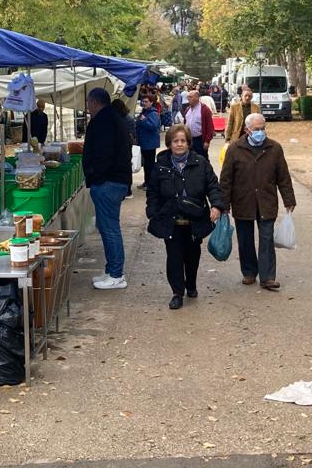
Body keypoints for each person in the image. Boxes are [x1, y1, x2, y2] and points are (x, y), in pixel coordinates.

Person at [146, 124, 225, 310]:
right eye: (175, 141)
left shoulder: (201, 163)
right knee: (174, 256)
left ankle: (191, 284)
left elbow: (213, 186)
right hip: (170, 219)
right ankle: (177, 292)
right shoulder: (161, 166)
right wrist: (152, 212)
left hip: (194, 219)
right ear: (169, 144)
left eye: (183, 141)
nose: (179, 144)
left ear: (188, 143)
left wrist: (216, 205)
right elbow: (153, 192)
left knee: (192, 256)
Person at [219, 113, 296, 291]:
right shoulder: (235, 149)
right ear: (247, 130)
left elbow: (283, 177)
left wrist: (288, 199)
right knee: (245, 239)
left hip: (266, 200)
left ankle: (268, 276)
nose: (261, 132)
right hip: (242, 201)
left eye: (263, 128)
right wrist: (224, 203)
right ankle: (249, 272)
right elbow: (226, 179)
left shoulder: (274, 148)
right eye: (257, 129)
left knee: (267, 239)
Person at [84, 87, 133, 290]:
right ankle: (111, 268)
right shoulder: (111, 117)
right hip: (112, 181)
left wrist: (97, 178)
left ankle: (116, 274)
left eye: (88, 103)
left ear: (95, 102)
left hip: (109, 183)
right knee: (106, 228)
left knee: (110, 229)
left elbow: (104, 153)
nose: (87, 107)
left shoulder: (104, 120)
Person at [135, 95, 160, 189]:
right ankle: (146, 182)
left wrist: (144, 120)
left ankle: (150, 184)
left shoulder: (153, 113)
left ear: (151, 102)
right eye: (143, 101)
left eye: (146, 102)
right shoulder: (145, 112)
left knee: (150, 165)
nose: (144, 103)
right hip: (144, 142)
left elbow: (154, 126)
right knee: (146, 165)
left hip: (150, 143)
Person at [182, 89, 215, 159]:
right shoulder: (187, 110)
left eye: (190, 97)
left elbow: (210, 127)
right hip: (189, 139)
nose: (188, 99)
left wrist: (207, 141)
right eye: (188, 97)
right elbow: (185, 124)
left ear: (197, 98)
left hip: (200, 140)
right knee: (190, 158)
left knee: (202, 159)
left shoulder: (205, 110)